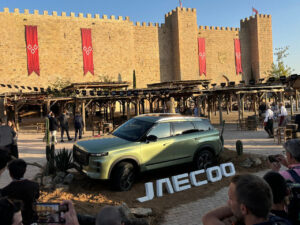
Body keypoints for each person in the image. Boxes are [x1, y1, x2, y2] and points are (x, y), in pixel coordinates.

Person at [202, 174, 290, 225]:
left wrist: (235, 211)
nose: (228, 203)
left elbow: (208, 217)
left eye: (230, 199)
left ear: (244, 209)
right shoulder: (283, 221)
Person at [0, 159, 40, 225]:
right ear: (25, 171)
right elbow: (37, 197)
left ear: (10, 173)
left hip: (15, 221)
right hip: (32, 220)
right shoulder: (34, 185)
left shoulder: (6, 190)